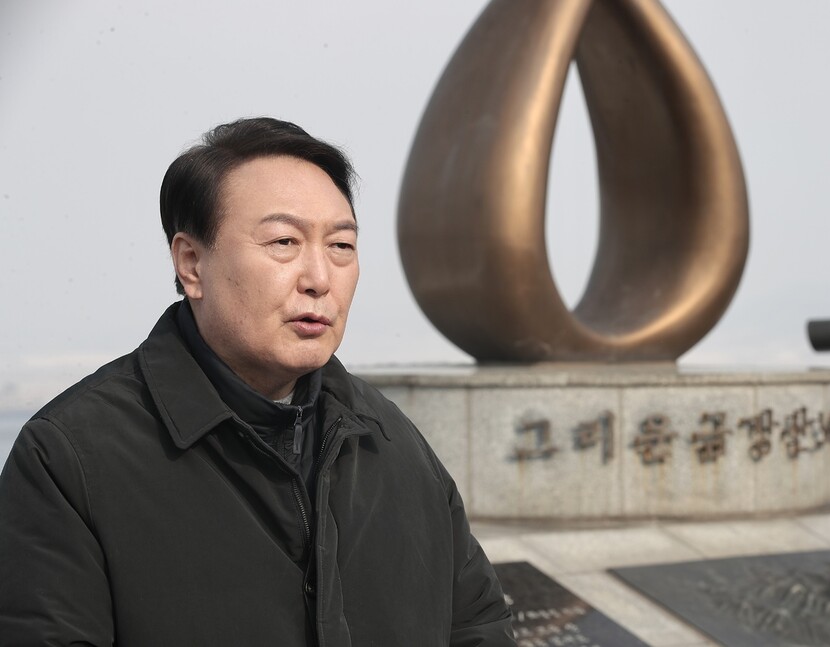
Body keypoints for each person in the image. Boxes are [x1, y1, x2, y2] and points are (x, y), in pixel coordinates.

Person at [0, 117, 515, 646]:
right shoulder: (70, 460)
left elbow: (478, 625)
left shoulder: (389, 441)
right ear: (191, 263)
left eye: (341, 246)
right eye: (284, 241)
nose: (319, 279)